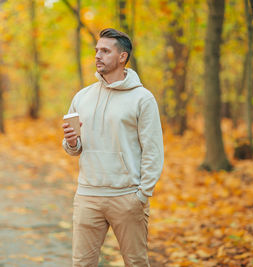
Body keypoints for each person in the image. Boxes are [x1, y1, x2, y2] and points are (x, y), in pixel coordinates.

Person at [62, 28, 164, 267]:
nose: (98, 55)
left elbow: (153, 151)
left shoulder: (143, 99)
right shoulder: (82, 96)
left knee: (136, 263)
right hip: (88, 195)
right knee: (81, 264)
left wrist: (141, 194)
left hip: (126, 196)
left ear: (122, 57)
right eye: (97, 50)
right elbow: (72, 148)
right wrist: (71, 142)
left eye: (105, 51)